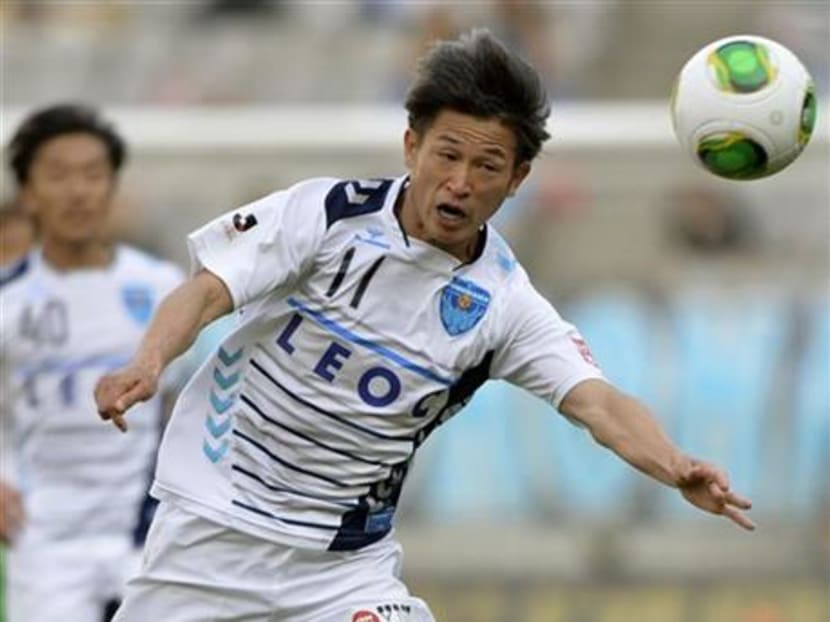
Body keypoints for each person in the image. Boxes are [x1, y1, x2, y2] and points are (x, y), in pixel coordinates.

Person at [95, 29, 754, 622]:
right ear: (411, 145)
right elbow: (209, 291)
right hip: (210, 535)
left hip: (342, 568)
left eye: (488, 166)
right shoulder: (327, 215)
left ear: (518, 179)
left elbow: (597, 402)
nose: (461, 182)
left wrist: (674, 464)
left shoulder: (503, 303)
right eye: (447, 155)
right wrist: (148, 361)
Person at [0, 103, 184, 622]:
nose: (78, 191)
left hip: (148, 535)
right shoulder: (9, 300)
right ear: (29, 193)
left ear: (112, 186)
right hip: (46, 542)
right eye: (58, 175)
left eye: (93, 174)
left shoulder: (162, 287)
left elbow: (193, 402)